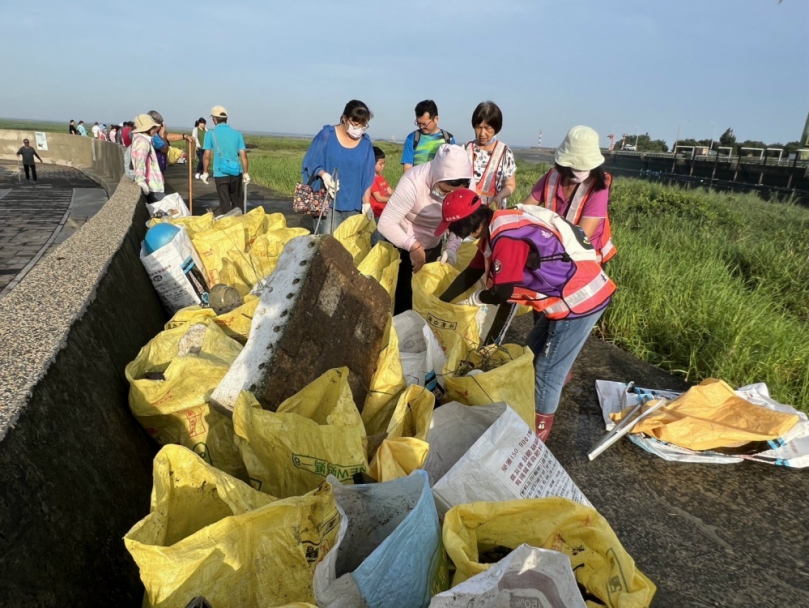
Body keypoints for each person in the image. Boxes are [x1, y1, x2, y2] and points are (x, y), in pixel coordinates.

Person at [435, 188, 616, 442]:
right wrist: (439, 303)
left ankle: (535, 436)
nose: (454, 235)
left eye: (455, 229)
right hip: (562, 299)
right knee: (528, 355)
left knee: (547, 372)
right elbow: (471, 272)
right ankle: (527, 408)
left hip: (579, 301)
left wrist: (476, 298)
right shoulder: (492, 229)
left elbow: (502, 292)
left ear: (470, 224)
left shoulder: (504, 236)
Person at [378, 143, 473, 314]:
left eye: (453, 193)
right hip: (402, 240)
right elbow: (386, 222)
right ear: (436, 177)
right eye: (444, 191)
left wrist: (452, 248)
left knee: (423, 294)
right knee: (402, 293)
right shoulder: (413, 181)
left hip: (433, 242)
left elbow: (460, 221)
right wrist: (412, 245)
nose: (447, 198)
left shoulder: (466, 187)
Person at [522, 126, 616, 265]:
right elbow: (524, 210)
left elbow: (581, 238)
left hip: (584, 258)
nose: (581, 171)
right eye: (576, 167)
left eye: (584, 167)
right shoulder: (551, 178)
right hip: (553, 251)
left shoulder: (598, 188)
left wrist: (542, 253)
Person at [301, 100, 375, 235]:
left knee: (349, 246)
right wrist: (323, 174)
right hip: (327, 202)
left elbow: (367, 175)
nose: (359, 129)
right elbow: (311, 160)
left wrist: (366, 203)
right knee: (328, 245)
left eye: (363, 125)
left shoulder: (365, 143)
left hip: (354, 204)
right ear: (345, 118)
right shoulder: (327, 135)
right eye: (355, 124)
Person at [464, 101, 517, 210]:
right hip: (467, 210)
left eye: (487, 128)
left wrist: (500, 196)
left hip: (493, 211)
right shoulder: (465, 149)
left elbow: (510, 185)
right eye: (478, 127)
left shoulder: (504, 152)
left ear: (496, 128)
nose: (482, 133)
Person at [201, 106, 249, 215]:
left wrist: (205, 172)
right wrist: (246, 173)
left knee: (225, 203)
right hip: (236, 173)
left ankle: (227, 226)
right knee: (237, 202)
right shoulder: (237, 134)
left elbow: (207, 155)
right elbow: (244, 155)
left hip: (220, 173)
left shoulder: (210, 134)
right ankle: (239, 225)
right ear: (226, 118)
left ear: (214, 119)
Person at [401, 100, 455, 172]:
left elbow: (454, 166)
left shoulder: (448, 139)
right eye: (418, 123)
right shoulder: (412, 138)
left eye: (424, 124)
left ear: (436, 119)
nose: (421, 127)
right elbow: (407, 168)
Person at [129, 114, 165, 203]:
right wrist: (140, 180)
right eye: (152, 128)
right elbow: (140, 161)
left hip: (152, 185)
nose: (155, 130)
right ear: (146, 129)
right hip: (153, 186)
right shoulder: (143, 142)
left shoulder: (138, 139)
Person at [369, 146, 393, 245]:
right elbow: (379, 198)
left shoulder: (381, 177)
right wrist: (393, 200)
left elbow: (390, 191)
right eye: (380, 164)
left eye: (384, 164)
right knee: (378, 238)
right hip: (376, 214)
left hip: (384, 213)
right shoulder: (371, 179)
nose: (383, 166)